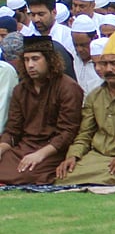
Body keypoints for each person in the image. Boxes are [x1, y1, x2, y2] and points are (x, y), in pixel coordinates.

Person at [54, 34, 115, 186]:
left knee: (112, 177)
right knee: (63, 178)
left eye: (114, 63)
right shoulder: (94, 96)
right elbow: (85, 134)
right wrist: (73, 156)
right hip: (97, 155)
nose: (108, 69)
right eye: (103, 64)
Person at [0, 36, 83, 184]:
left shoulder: (68, 87)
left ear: (50, 60)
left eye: (35, 59)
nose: (30, 65)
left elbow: (67, 132)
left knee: (28, 173)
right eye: (26, 60)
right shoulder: (21, 90)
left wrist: (40, 154)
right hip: (23, 148)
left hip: (53, 150)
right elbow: (13, 130)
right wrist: (2, 148)